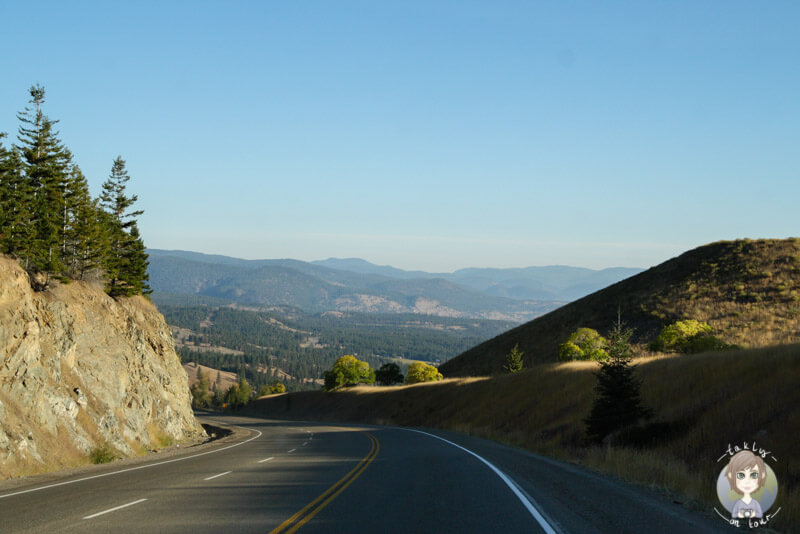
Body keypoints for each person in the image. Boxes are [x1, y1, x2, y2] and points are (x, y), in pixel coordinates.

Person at [725, 450, 767, 519]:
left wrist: (753, 514)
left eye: (753, 475)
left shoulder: (755, 503)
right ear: (731, 476)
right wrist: (739, 514)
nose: (747, 481)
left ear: (762, 476)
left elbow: (759, 514)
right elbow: (734, 515)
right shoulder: (738, 503)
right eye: (741, 475)